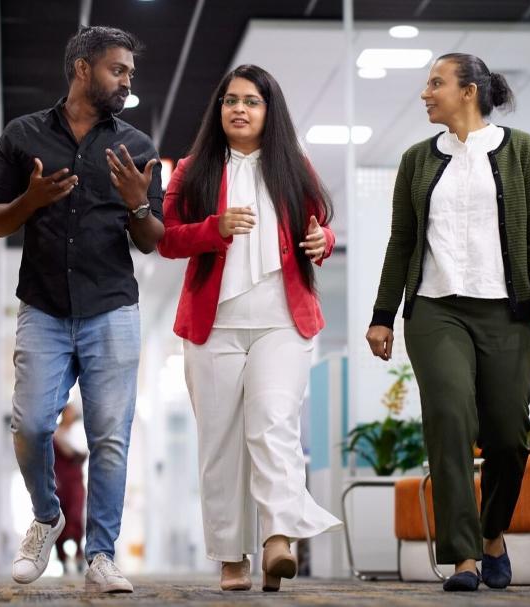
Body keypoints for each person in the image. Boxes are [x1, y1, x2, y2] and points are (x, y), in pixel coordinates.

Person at [365, 53, 530, 592]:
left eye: (436, 83)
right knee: (449, 418)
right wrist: (383, 315)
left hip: (507, 310)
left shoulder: (523, 151)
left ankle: (492, 531)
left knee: (507, 436)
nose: (426, 93)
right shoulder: (416, 159)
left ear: (469, 91)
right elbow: (401, 241)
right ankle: (463, 558)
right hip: (436, 309)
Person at [0, 25, 164, 594]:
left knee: (111, 436)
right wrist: (30, 201)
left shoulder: (135, 146)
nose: (127, 79)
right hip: (44, 307)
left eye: (130, 71)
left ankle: (102, 554)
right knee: (31, 425)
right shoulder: (23, 134)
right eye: (118, 69)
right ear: (82, 69)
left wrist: (138, 206)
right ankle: (46, 516)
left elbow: (152, 240)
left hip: (112, 308)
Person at [157, 64, 343, 593]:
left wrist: (321, 242)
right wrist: (211, 229)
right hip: (213, 325)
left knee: (272, 422)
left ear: (269, 111)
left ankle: (279, 537)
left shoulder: (293, 167)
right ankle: (230, 558)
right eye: (231, 100)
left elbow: (321, 228)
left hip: (283, 321)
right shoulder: (193, 170)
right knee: (220, 443)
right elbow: (167, 238)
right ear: (219, 110)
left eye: (252, 101)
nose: (239, 108)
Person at [52, 403, 88, 574]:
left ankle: (79, 555)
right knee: (60, 520)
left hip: (75, 482)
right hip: (60, 482)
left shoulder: (78, 433)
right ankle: (63, 558)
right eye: (69, 412)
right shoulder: (55, 434)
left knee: (76, 517)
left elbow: (82, 453)